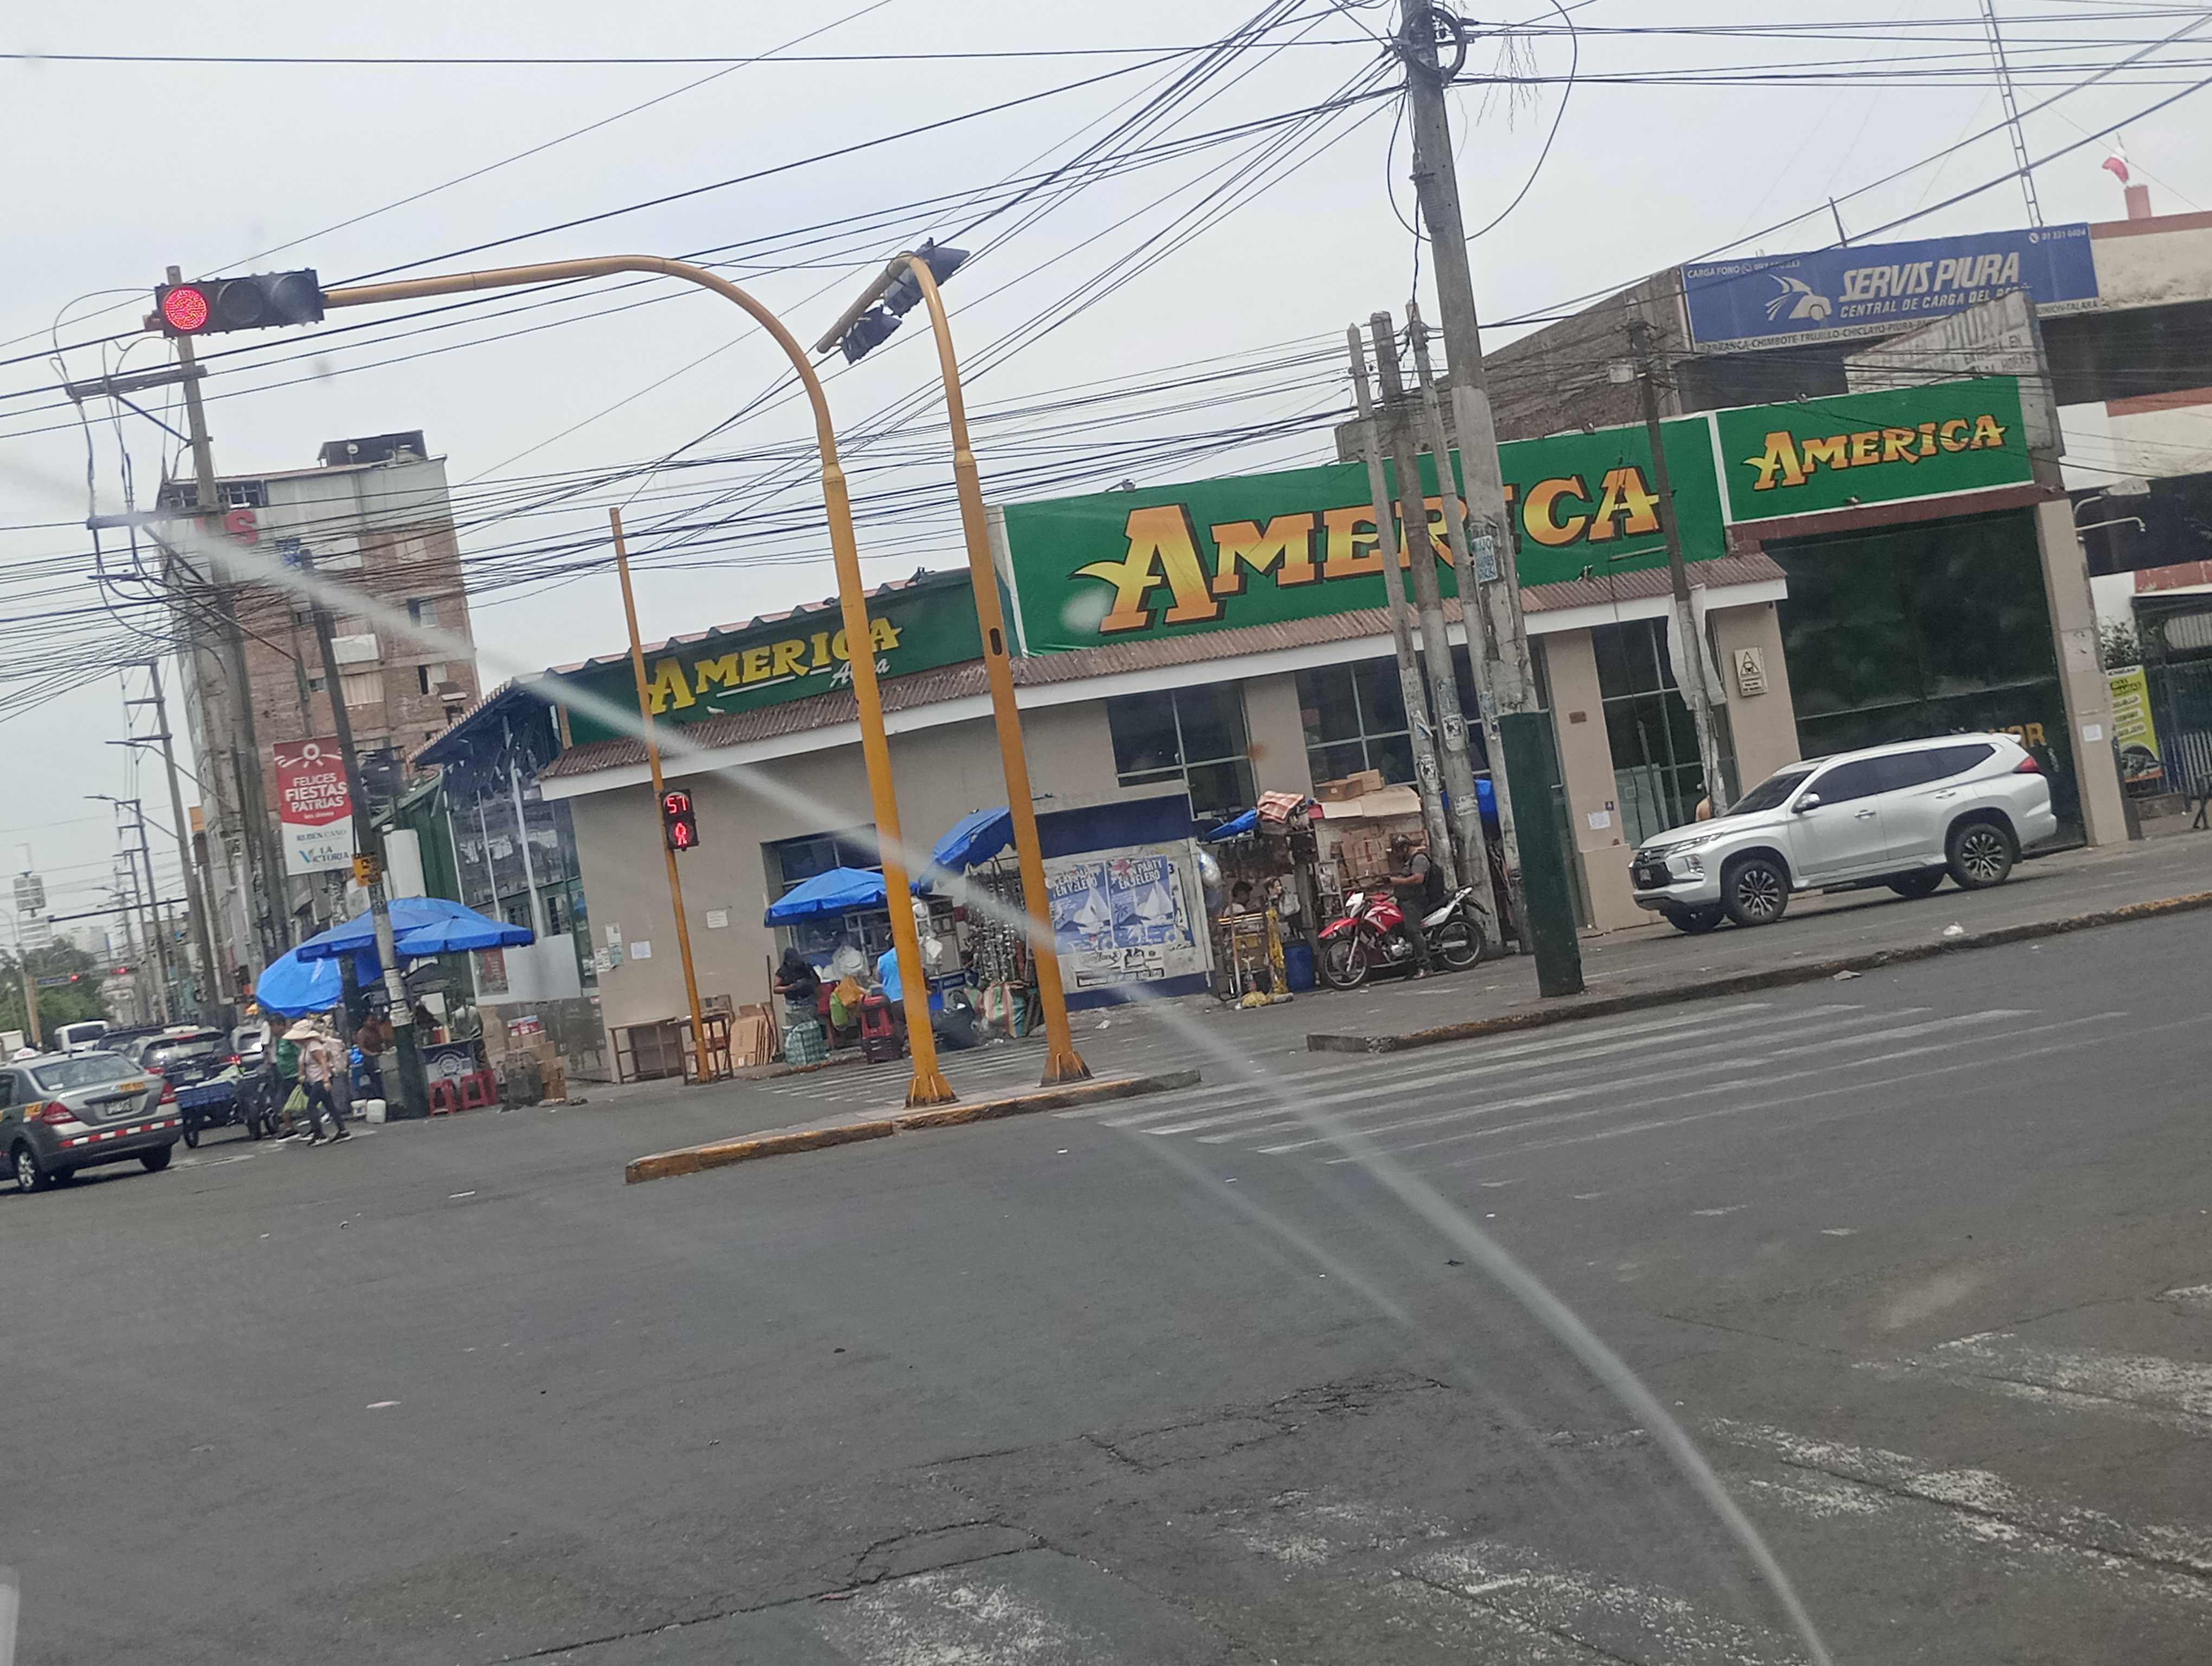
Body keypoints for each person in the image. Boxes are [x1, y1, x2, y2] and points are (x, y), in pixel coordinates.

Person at [1386, 834, 1437, 978]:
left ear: (1405, 848)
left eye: (1398, 851)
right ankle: (1411, 965)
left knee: (1412, 931)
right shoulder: (1408, 861)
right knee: (1398, 929)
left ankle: (1426, 966)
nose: (1397, 855)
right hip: (1404, 901)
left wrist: (1396, 881)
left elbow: (1418, 879)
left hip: (1415, 901)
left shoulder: (1419, 859)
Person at [292, 1020, 349, 1145]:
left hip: (321, 1080)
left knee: (311, 1106)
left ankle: (319, 1134)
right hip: (317, 1080)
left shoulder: (313, 1046)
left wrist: (326, 1080)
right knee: (330, 1106)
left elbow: (323, 1062)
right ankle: (342, 1130)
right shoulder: (306, 1047)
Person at [774, 947, 826, 1066]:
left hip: (808, 1001)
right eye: (792, 962)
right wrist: (790, 988)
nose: (795, 964)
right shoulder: (782, 972)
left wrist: (808, 985)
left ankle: (815, 1054)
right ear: (787, 961)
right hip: (793, 1004)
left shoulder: (806, 967)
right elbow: (776, 989)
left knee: (812, 1029)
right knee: (796, 1031)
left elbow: (816, 982)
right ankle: (799, 1057)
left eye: (796, 961)